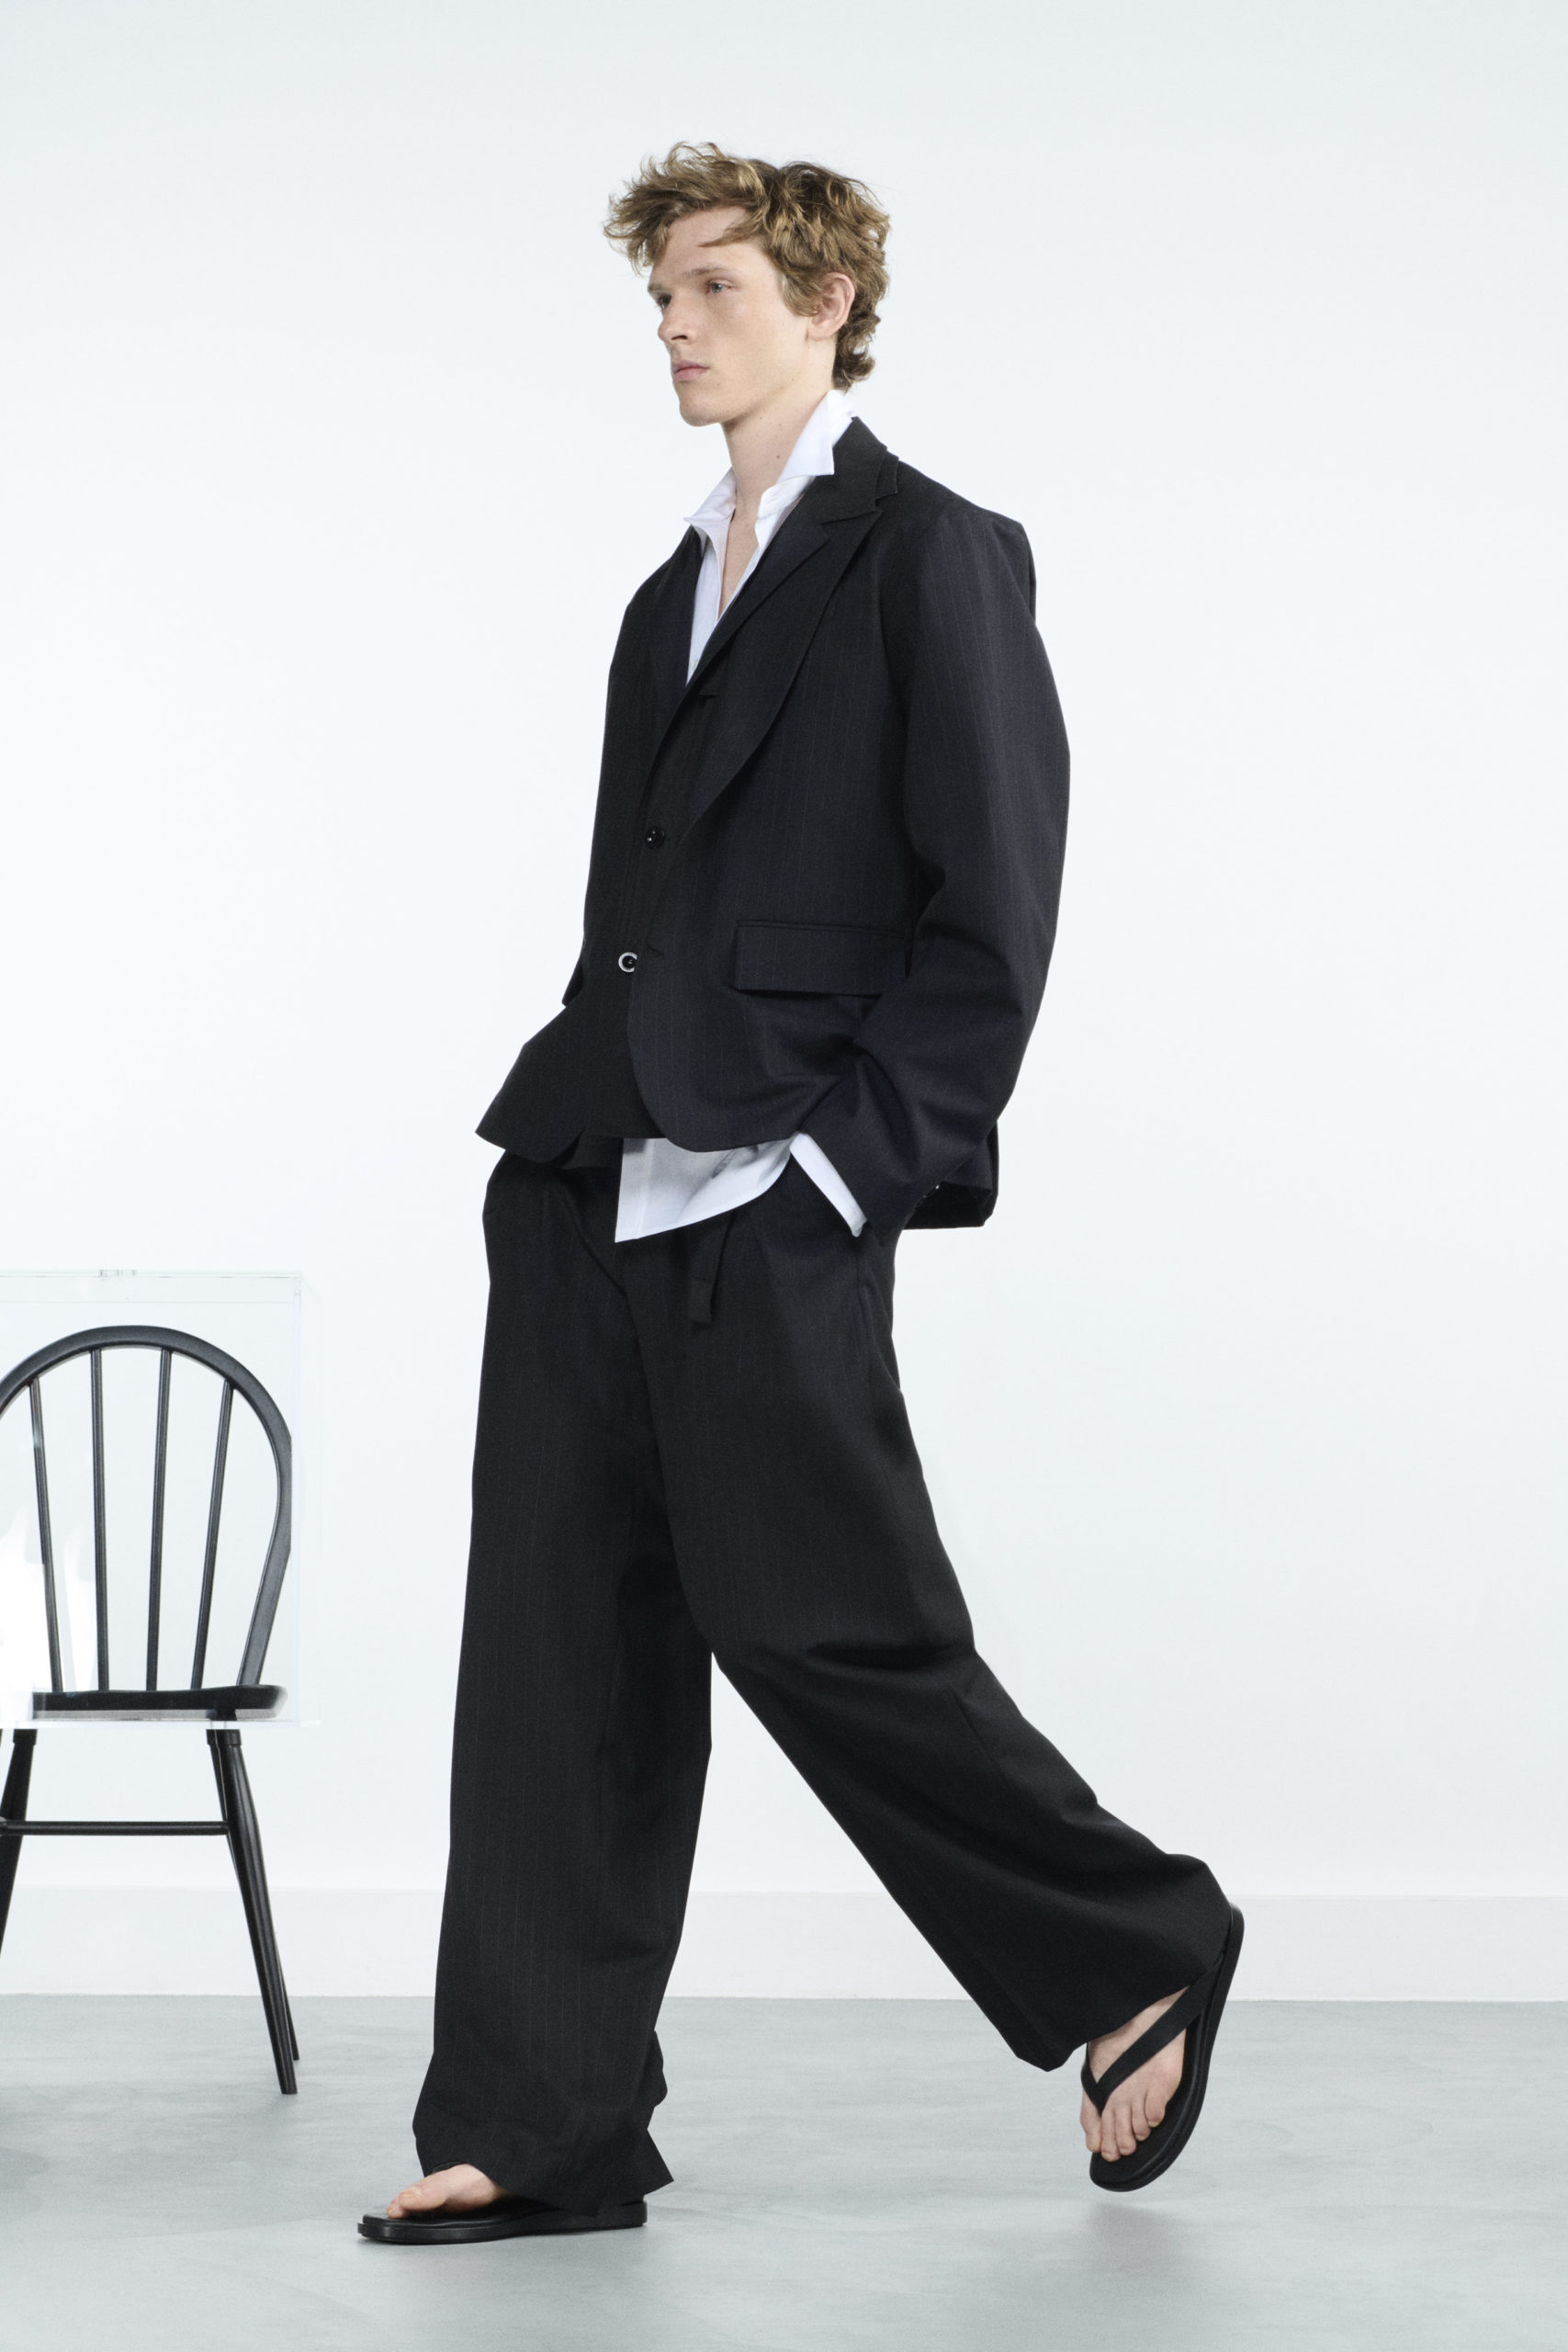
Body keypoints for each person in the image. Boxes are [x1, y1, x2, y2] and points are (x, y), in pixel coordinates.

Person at [360, 141, 1241, 2248]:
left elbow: (989, 916)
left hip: (768, 1185)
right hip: (588, 1176)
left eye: (715, 287)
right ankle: (539, 2120)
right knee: (556, 1652)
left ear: (828, 300)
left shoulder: (930, 554)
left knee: (820, 1619)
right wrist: (571, 1140)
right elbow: (637, 914)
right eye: (660, 294)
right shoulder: (663, 591)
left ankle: (1131, 1936)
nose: (675, 326)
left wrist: (844, 1170)